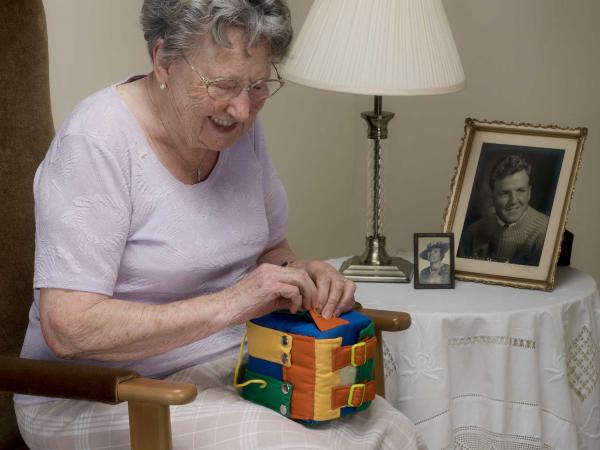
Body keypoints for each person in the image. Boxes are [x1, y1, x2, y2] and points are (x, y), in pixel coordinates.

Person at [14, 1, 423, 449]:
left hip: (235, 367)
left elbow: (270, 249)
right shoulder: (96, 142)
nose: (243, 110)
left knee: (392, 432)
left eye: (259, 85)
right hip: (100, 394)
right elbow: (69, 329)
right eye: (223, 85)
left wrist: (302, 273)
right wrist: (235, 303)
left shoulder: (237, 130)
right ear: (163, 60)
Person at [458, 154, 549, 266]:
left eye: (521, 190)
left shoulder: (545, 233)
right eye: (504, 193)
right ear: (492, 197)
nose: (513, 200)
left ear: (529, 192)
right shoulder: (473, 232)